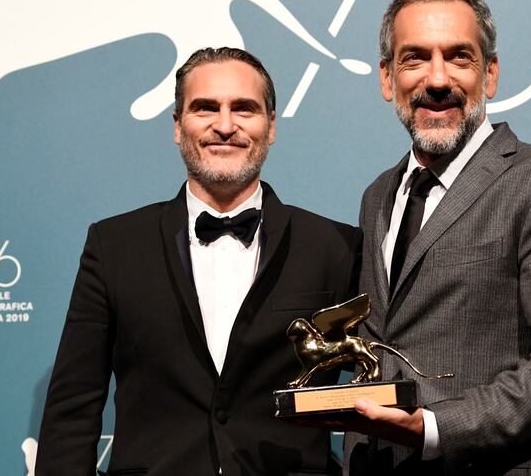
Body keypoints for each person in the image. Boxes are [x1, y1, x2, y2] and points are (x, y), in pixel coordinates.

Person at [36, 47, 361, 475]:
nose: (224, 126)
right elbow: (72, 409)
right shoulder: (114, 246)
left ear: (271, 126)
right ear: (177, 125)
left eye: (244, 108)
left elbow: (372, 394)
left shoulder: (334, 246)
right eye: (205, 108)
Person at [342, 0, 531, 475]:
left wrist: (436, 428)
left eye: (459, 57)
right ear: (386, 78)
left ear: (490, 75)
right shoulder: (378, 195)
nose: (438, 79)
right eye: (415, 57)